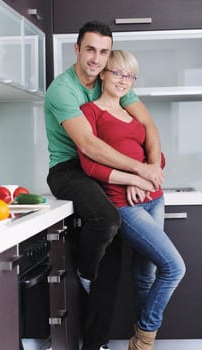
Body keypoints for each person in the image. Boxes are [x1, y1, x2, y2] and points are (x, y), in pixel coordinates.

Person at [44, 20, 164, 350]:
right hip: (70, 169)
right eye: (91, 50)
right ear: (77, 50)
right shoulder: (62, 90)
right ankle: (84, 269)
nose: (97, 59)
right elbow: (89, 147)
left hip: (108, 169)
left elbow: (148, 123)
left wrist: (151, 168)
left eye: (104, 52)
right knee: (107, 220)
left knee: (110, 264)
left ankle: (94, 343)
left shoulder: (110, 80)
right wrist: (138, 171)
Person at [77, 49, 186, 350]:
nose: (124, 80)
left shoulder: (132, 113)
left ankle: (138, 345)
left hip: (154, 199)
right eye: (117, 72)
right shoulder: (90, 112)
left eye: (130, 75)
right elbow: (91, 165)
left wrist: (150, 173)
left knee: (145, 275)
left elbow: (158, 157)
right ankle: (144, 338)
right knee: (174, 268)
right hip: (123, 205)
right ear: (102, 74)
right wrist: (132, 179)